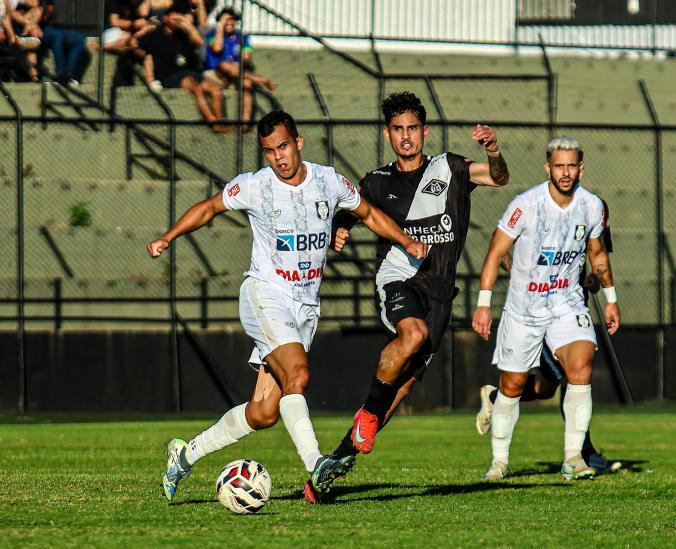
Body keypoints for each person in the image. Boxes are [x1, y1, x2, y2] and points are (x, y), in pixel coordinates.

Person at [148, 110, 427, 504]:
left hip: (305, 304)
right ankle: (316, 463)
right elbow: (208, 208)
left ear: (298, 142)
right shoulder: (255, 186)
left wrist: (406, 241)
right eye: (268, 151)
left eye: (282, 146)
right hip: (266, 293)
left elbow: (367, 212)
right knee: (298, 374)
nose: (278, 157)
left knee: (263, 412)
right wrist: (168, 237)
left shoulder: (328, 181)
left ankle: (185, 453)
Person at [311, 91, 510, 490]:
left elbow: (499, 177)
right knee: (412, 334)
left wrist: (494, 150)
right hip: (398, 277)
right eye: (398, 129)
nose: (406, 137)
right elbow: (350, 210)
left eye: (412, 129)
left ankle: (333, 465)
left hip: (440, 294)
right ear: (388, 135)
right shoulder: (376, 182)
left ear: (425, 131)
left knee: (399, 389)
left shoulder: (450, 168)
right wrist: (342, 228)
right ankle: (367, 415)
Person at [471, 136, 621, 481]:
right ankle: (499, 462)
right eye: (559, 166)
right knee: (512, 386)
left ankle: (574, 459)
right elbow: (495, 253)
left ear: (580, 167)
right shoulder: (525, 205)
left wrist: (611, 298)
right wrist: (484, 305)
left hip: (566, 304)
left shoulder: (592, 206)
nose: (565, 172)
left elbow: (598, 255)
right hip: (524, 309)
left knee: (580, 367)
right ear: (548, 168)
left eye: (571, 166)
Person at [137, 4, 225, 131]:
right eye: (175, 16)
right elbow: (143, 53)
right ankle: (213, 123)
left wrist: (188, 26)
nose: (178, 18)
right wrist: (150, 79)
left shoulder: (183, 33)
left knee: (215, 88)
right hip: (168, 76)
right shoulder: (154, 35)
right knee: (196, 87)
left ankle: (221, 122)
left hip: (189, 72)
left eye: (180, 16)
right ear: (166, 18)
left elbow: (199, 42)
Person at [204, 6, 276, 130]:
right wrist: (220, 28)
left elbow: (246, 57)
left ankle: (244, 125)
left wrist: (240, 60)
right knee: (225, 65)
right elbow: (217, 48)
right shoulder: (212, 34)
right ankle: (262, 80)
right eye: (224, 20)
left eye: (231, 19)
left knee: (247, 84)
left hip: (236, 74)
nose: (228, 22)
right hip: (215, 74)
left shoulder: (242, 37)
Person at [38, 0, 90, 85]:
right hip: (43, 28)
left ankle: (69, 74)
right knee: (58, 36)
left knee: (80, 39)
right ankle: (60, 72)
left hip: (59, 28)